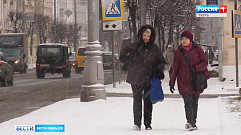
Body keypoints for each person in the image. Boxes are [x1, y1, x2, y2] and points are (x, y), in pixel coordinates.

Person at [119, 24, 166, 131]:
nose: (145, 37)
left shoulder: (154, 48)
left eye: (148, 36)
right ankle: (137, 123)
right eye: (144, 35)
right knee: (137, 100)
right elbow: (123, 56)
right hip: (135, 77)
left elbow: (161, 61)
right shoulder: (134, 46)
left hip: (149, 78)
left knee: (148, 101)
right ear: (141, 35)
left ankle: (148, 123)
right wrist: (126, 54)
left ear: (151, 37)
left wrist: (158, 69)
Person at [169, 30, 208, 131]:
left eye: (186, 38)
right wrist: (172, 82)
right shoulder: (178, 52)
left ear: (190, 39)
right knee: (188, 101)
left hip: (196, 80)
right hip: (183, 81)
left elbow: (204, 62)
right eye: (182, 39)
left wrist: (196, 68)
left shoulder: (197, 49)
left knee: (195, 101)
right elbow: (175, 67)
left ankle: (193, 122)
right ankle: (189, 121)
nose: (184, 41)